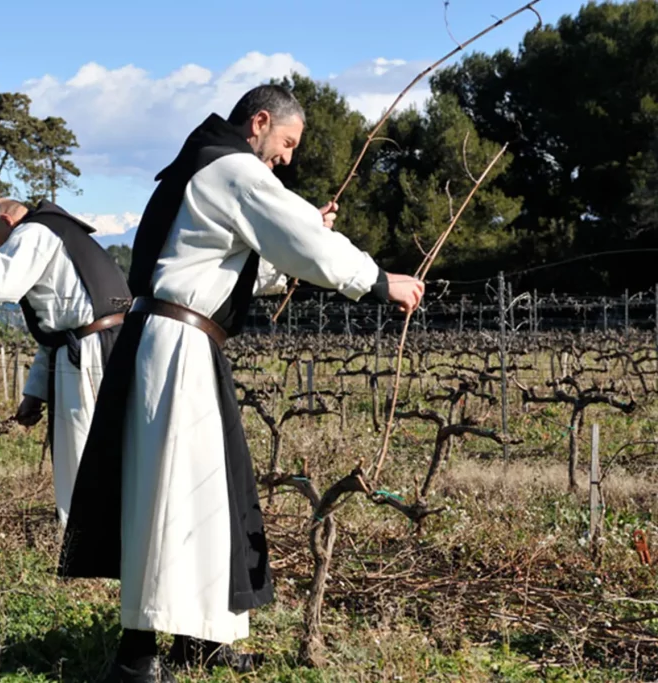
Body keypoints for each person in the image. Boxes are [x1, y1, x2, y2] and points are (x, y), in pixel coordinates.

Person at [57, 84, 425, 682]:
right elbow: (306, 247)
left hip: (180, 342)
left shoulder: (204, 166)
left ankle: (199, 638)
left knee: (205, 495)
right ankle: (138, 655)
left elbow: (234, 268)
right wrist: (380, 281)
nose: (286, 158)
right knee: (169, 495)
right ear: (259, 122)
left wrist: (305, 227)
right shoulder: (232, 167)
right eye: (285, 142)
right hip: (177, 347)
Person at [0, 198, 131, 528]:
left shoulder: (34, 231)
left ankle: (92, 548)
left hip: (91, 353)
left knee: (85, 451)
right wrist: (36, 392)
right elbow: (55, 331)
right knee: (99, 450)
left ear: (7, 220)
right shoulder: (61, 233)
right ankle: (96, 544)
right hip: (100, 346)